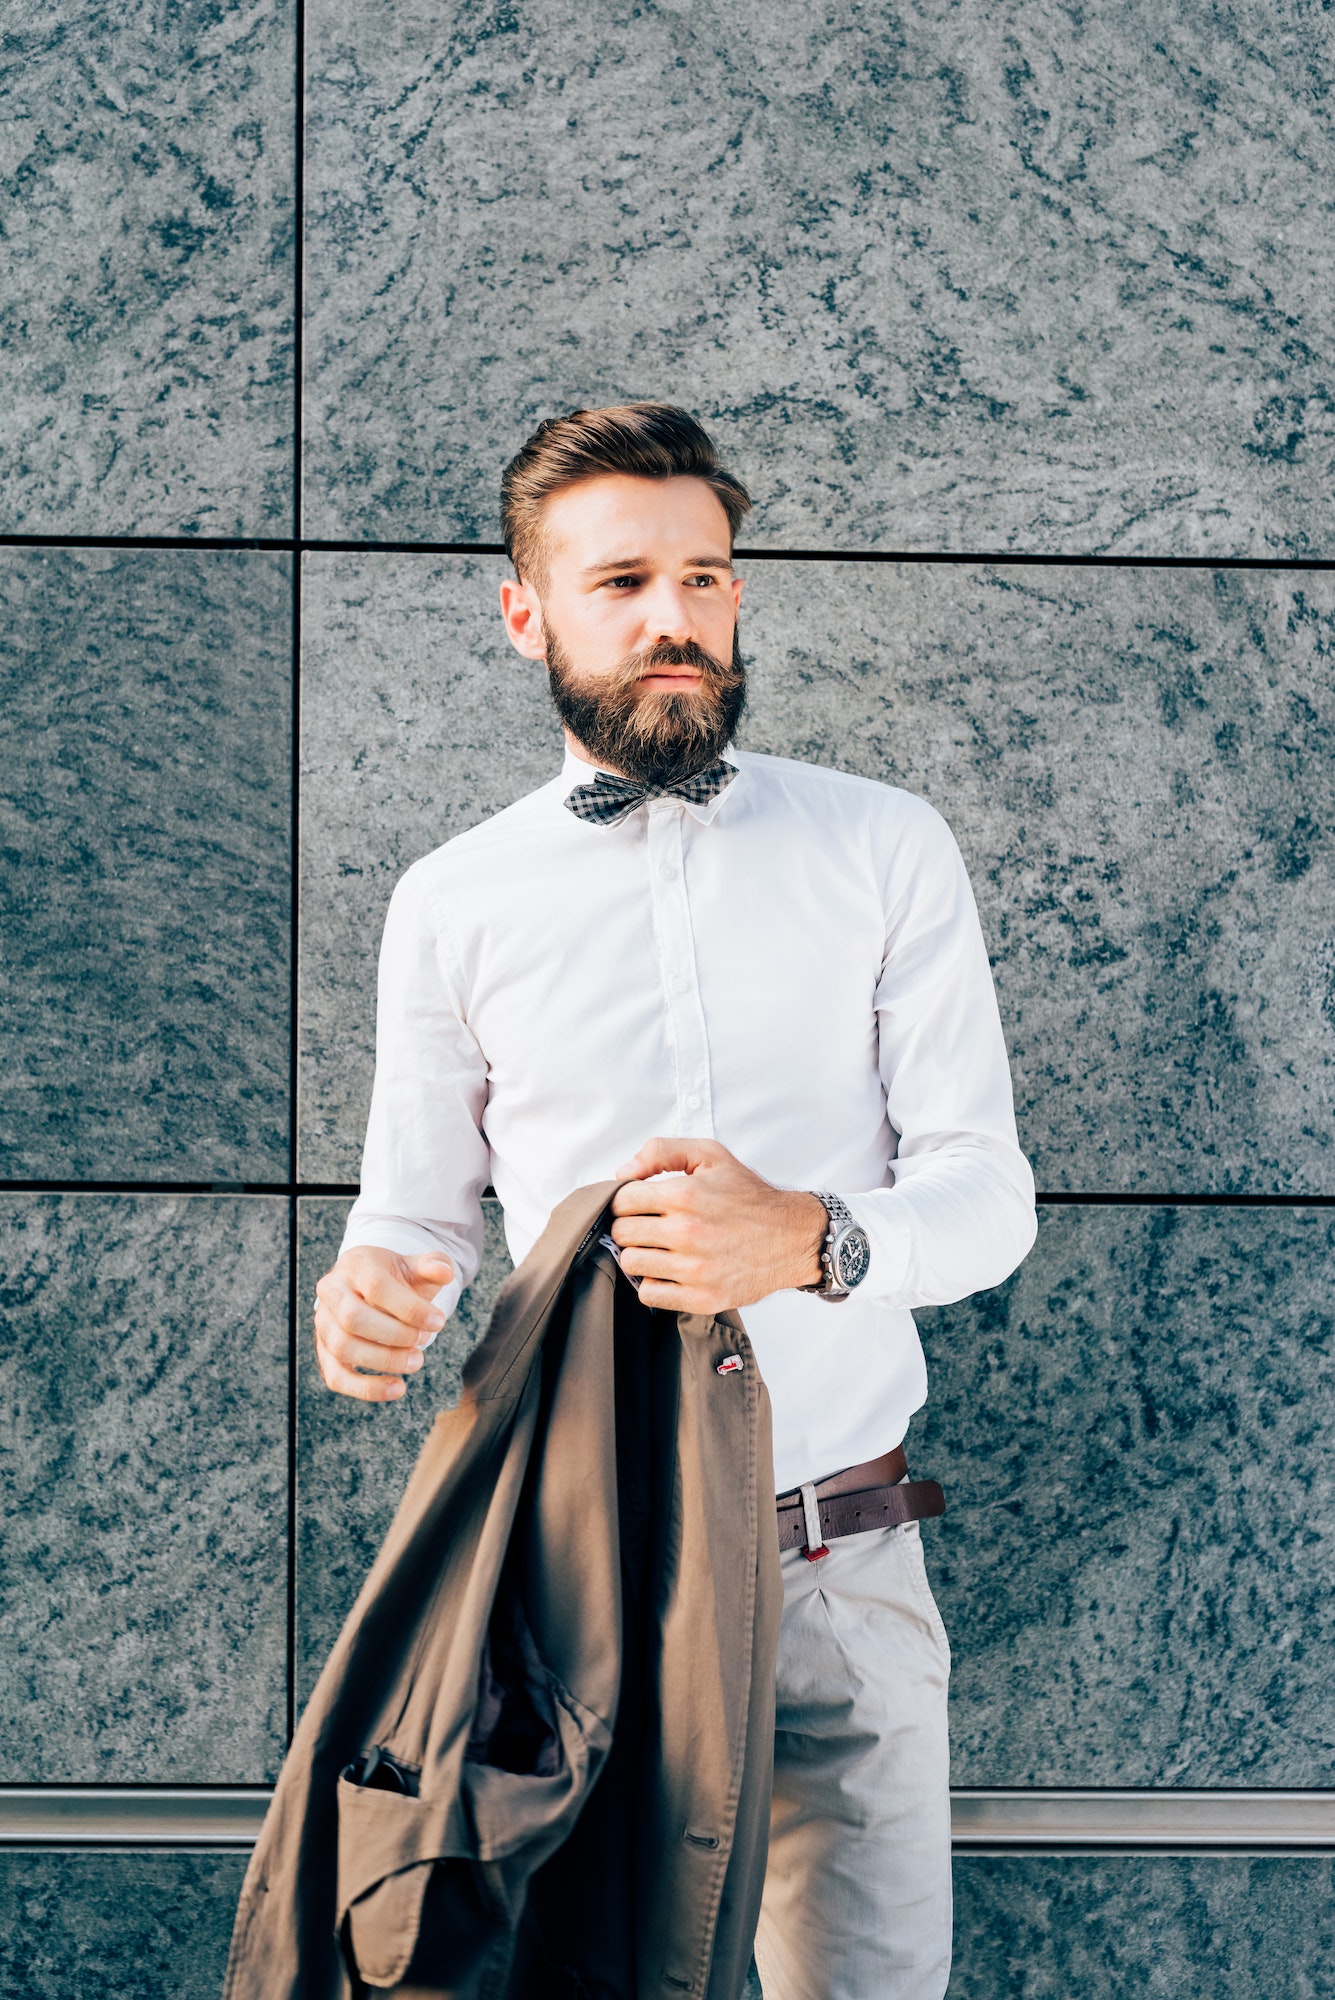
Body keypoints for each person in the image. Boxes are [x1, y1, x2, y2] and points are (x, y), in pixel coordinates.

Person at [312, 403, 1036, 2000]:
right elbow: (416, 1216)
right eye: (623, 579)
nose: (673, 620)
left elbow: (991, 1200)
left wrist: (815, 1240)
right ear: (527, 614)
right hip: (587, 1587)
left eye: (704, 579)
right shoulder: (452, 903)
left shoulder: (885, 847)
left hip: (841, 1569)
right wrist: (371, 1290)